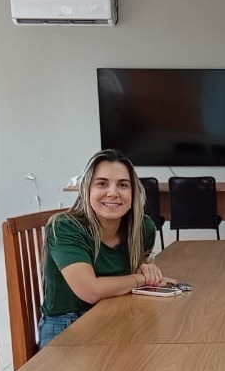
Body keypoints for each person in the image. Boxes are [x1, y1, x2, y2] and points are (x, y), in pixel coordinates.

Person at [39, 149, 166, 347]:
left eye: (123, 185)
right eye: (102, 183)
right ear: (86, 189)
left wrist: (144, 266)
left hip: (116, 314)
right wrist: (142, 279)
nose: (113, 193)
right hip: (68, 325)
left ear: (134, 193)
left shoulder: (143, 228)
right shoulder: (64, 227)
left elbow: (128, 277)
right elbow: (90, 291)